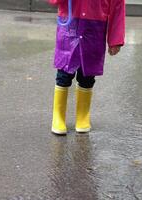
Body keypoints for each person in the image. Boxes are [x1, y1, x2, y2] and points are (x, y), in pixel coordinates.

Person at [49, 0, 125, 135]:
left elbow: (117, 8)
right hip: (70, 25)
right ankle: (58, 116)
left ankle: (82, 116)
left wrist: (115, 39)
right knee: (64, 73)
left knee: (87, 75)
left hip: (94, 28)